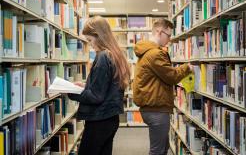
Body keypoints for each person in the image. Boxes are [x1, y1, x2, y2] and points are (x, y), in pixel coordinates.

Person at [67, 16, 130, 155]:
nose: (90, 45)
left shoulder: (103, 57)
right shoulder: (115, 54)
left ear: (99, 36)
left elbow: (96, 96)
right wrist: (85, 85)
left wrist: (71, 91)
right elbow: (106, 85)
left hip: (99, 120)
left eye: (90, 40)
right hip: (110, 118)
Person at [133, 18, 193, 155]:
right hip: (156, 110)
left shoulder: (147, 52)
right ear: (159, 32)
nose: (170, 39)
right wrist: (187, 67)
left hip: (153, 107)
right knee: (157, 151)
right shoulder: (155, 54)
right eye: (168, 35)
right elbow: (171, 76)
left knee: (162, 148)